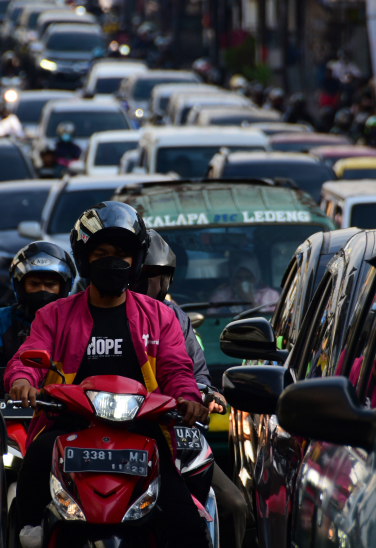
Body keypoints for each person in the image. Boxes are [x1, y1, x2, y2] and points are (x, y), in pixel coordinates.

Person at [6, 201, 211, 548]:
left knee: (187, 526)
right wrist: (22, 380)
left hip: (144, 429)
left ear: (137, 262)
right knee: (33, 466)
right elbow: (27, 357)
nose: (112, 262)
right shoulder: (53, 315)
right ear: (85, 260)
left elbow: (177, 368)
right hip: (68, 427)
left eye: (122, 254)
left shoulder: (160, 317)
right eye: (101, 253)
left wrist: (188, 398)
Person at [130, 231, 253, 548]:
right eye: (142, 274)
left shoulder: (174, 318)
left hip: (173, 435)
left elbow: (194, 375)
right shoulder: (93, 313)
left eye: (154, 276)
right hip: (115, 435)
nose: (148, 283)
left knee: (234, 506)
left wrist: (201, 397)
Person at [0, 242, 76, 369]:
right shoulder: (4, 319)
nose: (42, 290)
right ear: (20, 286)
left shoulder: (75, 320)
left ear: (63, 287)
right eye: (34, 284)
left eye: (50, 285)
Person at [209, 251, 280, 314]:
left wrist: (250, 301)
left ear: (256, 277)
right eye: (238, 278)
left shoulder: (271, 296)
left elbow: (273, 323)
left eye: (248, 278)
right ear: (232, 278)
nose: (243, 282)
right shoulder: (220, 296)